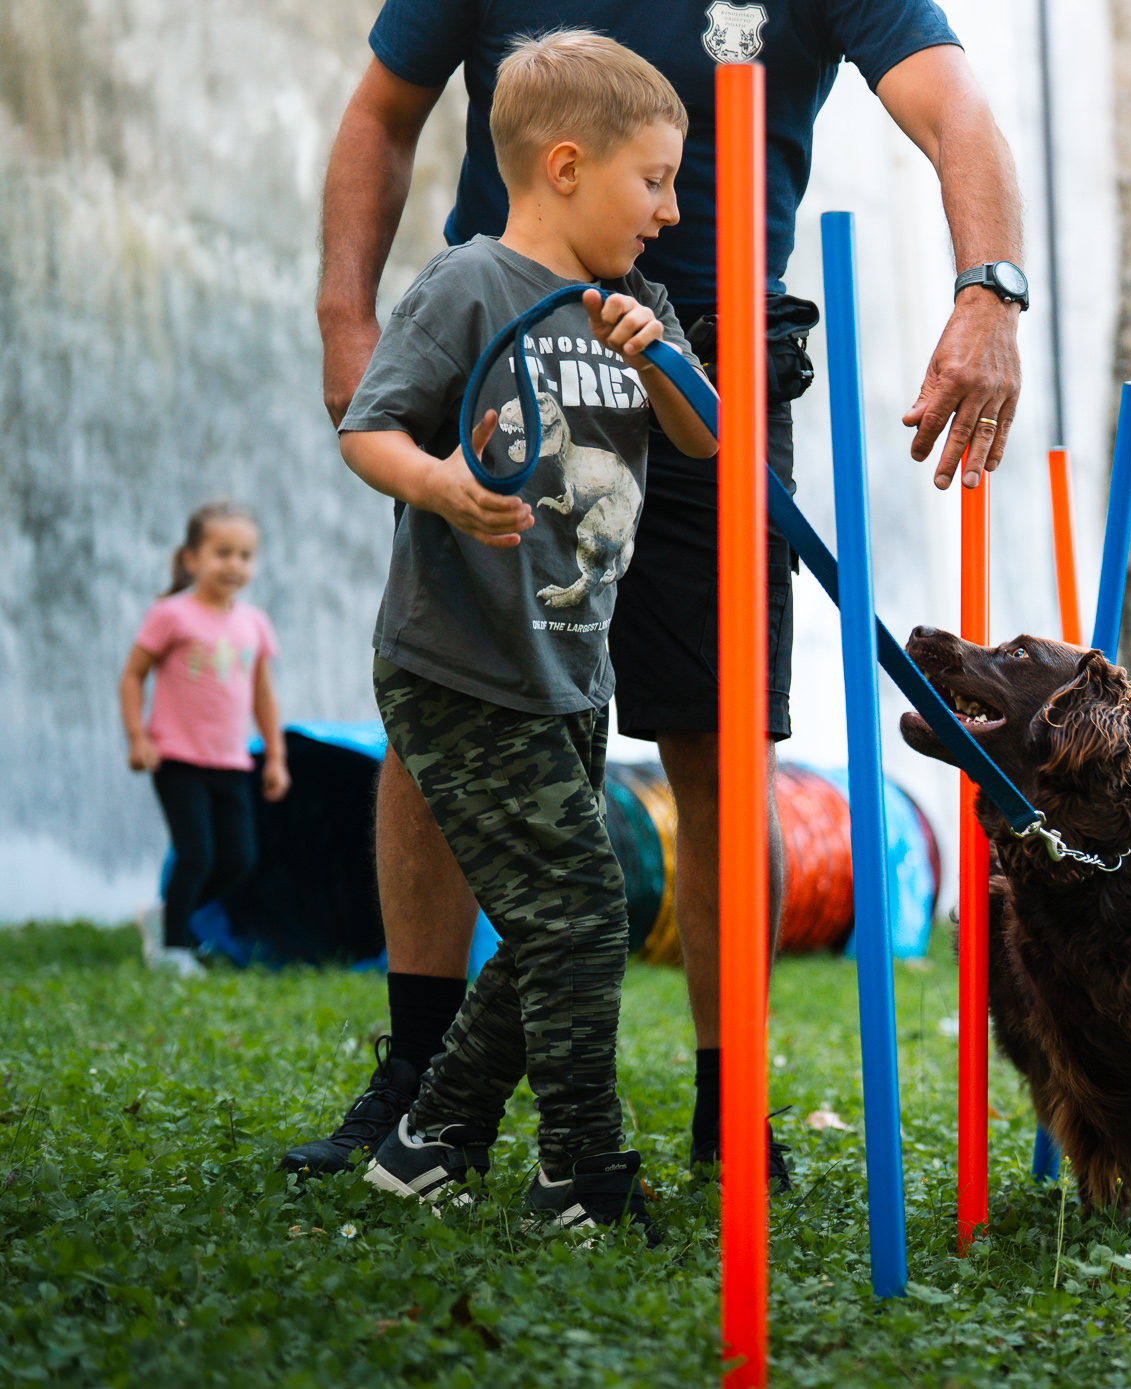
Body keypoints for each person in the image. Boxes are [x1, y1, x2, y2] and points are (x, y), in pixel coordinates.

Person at [284, 0, 1027, 1182]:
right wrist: (345, 317)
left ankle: (727, 1107)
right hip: (503, 353)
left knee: (722, 737)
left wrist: (987, 289)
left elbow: (957, 107)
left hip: (709, 374)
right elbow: (381, 112)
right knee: (443, 702)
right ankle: (417, 1075)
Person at [335, 31, 716, 1236]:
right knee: (581, 911)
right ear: (564, 166)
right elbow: (368, 427)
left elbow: (707, 439)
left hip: (569, 664)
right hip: (461, 668)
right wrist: (441, 484)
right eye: (652, 181)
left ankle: (431, 1139)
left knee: (568, 906)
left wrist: (663, 366)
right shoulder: (466, 286)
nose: (668, 210)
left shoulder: (634, 305)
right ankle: (582, 1173)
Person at [120, 500, 290, 978]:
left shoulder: (253, 623)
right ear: (191, 558)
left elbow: (263, 696)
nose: (234, 565)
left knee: (238, 859)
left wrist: (275, 757)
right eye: (222, 553)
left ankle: (167, 914)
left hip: (231, 762)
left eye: (245, 555)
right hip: (176, 758)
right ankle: (173, 951)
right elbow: (132, 676)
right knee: (196, 854)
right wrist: (138, 737)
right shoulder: (170, 615)